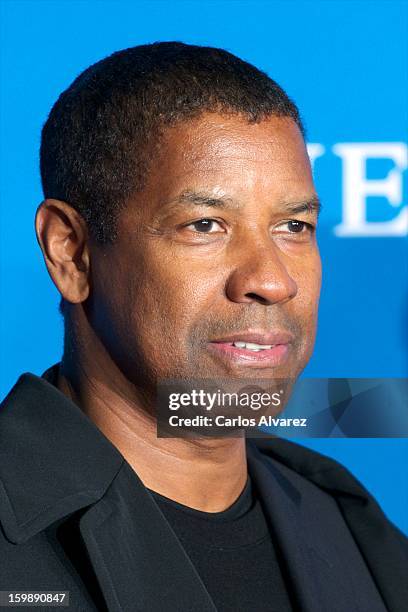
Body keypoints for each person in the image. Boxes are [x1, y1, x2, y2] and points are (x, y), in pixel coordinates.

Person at [0, 42, 406, 612]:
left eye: (294, 225)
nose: (272, 280)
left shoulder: (353, 527)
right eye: (205, 224)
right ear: (71, 252)